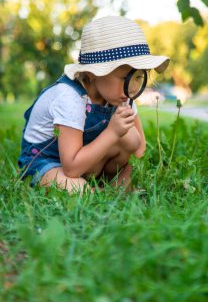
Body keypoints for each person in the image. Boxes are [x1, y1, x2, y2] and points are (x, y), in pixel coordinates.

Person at [18, 16, 170, 194]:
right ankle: (97, 190)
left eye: (138, 77)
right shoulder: (69, 97)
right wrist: (113, 132)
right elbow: (71, 168)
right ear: (92, 73)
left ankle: (103, 187)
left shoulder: (122, 95)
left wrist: (125, 134)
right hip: (47, 161)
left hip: (86, 159)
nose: (134, 87)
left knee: (130, 163)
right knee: (79, 189)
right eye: (125, 78)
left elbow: (138, 150)